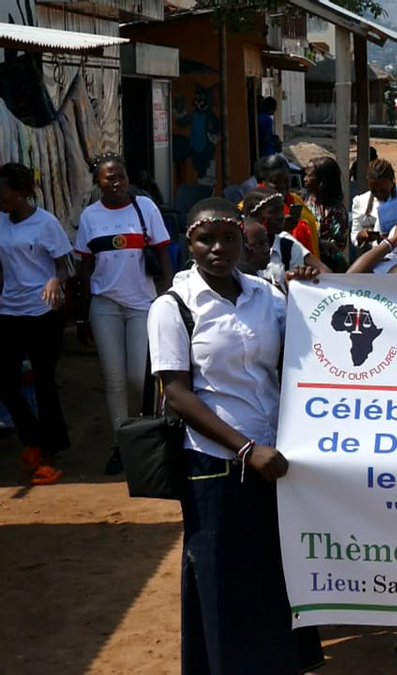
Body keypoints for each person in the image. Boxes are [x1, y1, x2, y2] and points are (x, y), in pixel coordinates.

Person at [148, 197, 324, 675]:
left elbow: (297, 362)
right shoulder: (173, 307)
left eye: (229, 238)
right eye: (207, 239)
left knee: (273, 575)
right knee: (222, 580)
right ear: (191, 242)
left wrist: (310, 298)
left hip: (276, 463)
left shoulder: (267, 297)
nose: (218, 249)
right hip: (216, 465)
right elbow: (178, 394)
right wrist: (247, 450)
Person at [76, 154, 174, 473]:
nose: (116, 181)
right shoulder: (90, 216)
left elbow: (163, 253)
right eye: (109, 177)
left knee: (139, 377)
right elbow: (86, 266)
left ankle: (153, 436)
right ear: (98, 183)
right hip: (104, 305)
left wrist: (169, 296)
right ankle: (121, 444)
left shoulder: (145, 208)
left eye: (121, 175)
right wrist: (82, 311)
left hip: (141, 304)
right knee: (114, 379)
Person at [0, 163, 72, 485]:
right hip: (9, 310)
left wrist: (55, 281)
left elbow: (65, 264)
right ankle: (33, 440)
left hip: (43, 312)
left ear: (21, 193)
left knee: (43, 383)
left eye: (3, 194)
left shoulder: (46, 224)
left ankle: (50, 455)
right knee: (5, 380)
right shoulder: (0, 221)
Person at [242, 189, 328, 290]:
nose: (280, 216)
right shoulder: (238, 247)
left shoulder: (288, 247)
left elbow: (297, 290)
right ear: (253, 216)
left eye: (281, 210)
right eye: (272, 212)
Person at [255, 154, 321, 261]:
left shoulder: (296, 200)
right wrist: (275, 228)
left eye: (287, 181)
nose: (284, 186)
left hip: (307, 267)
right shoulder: (250, 206)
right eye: (276, 182)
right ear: (262, 182)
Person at [304, 156, 351, 272]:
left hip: (329, 268)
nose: (305, 179)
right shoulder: (303, 202)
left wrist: (316, 242)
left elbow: (336, 245)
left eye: (309, 175)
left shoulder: (336, 210)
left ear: (322, 181)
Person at [351, 159, 397, 249]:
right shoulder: (361, 202)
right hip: (373, 255)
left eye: (383, 190)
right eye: (374, 191)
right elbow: (355, 234)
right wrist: (360, 236)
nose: (379, 194)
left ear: (392, 181)